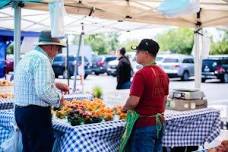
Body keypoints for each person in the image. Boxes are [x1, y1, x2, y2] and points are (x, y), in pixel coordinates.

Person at [14, 31, 69, 152]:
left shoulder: (28, 56)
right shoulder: (42, 59)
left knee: (29, 148)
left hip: (21, 111)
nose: (58, 52)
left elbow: (32, 81)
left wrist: (55, 84)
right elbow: (43, 91)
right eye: (58, 48)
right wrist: (59, 99)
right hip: (36, 114)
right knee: (41, 148)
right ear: (50, 46)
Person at [122, 39, 169, 152]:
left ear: (145, 53)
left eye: (138, 52)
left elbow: (133, 101)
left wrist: (124, 108)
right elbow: (164, 100)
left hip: (144, 126)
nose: (136, 55)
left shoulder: (141, 74)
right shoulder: (163, 73)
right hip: (159, 125)